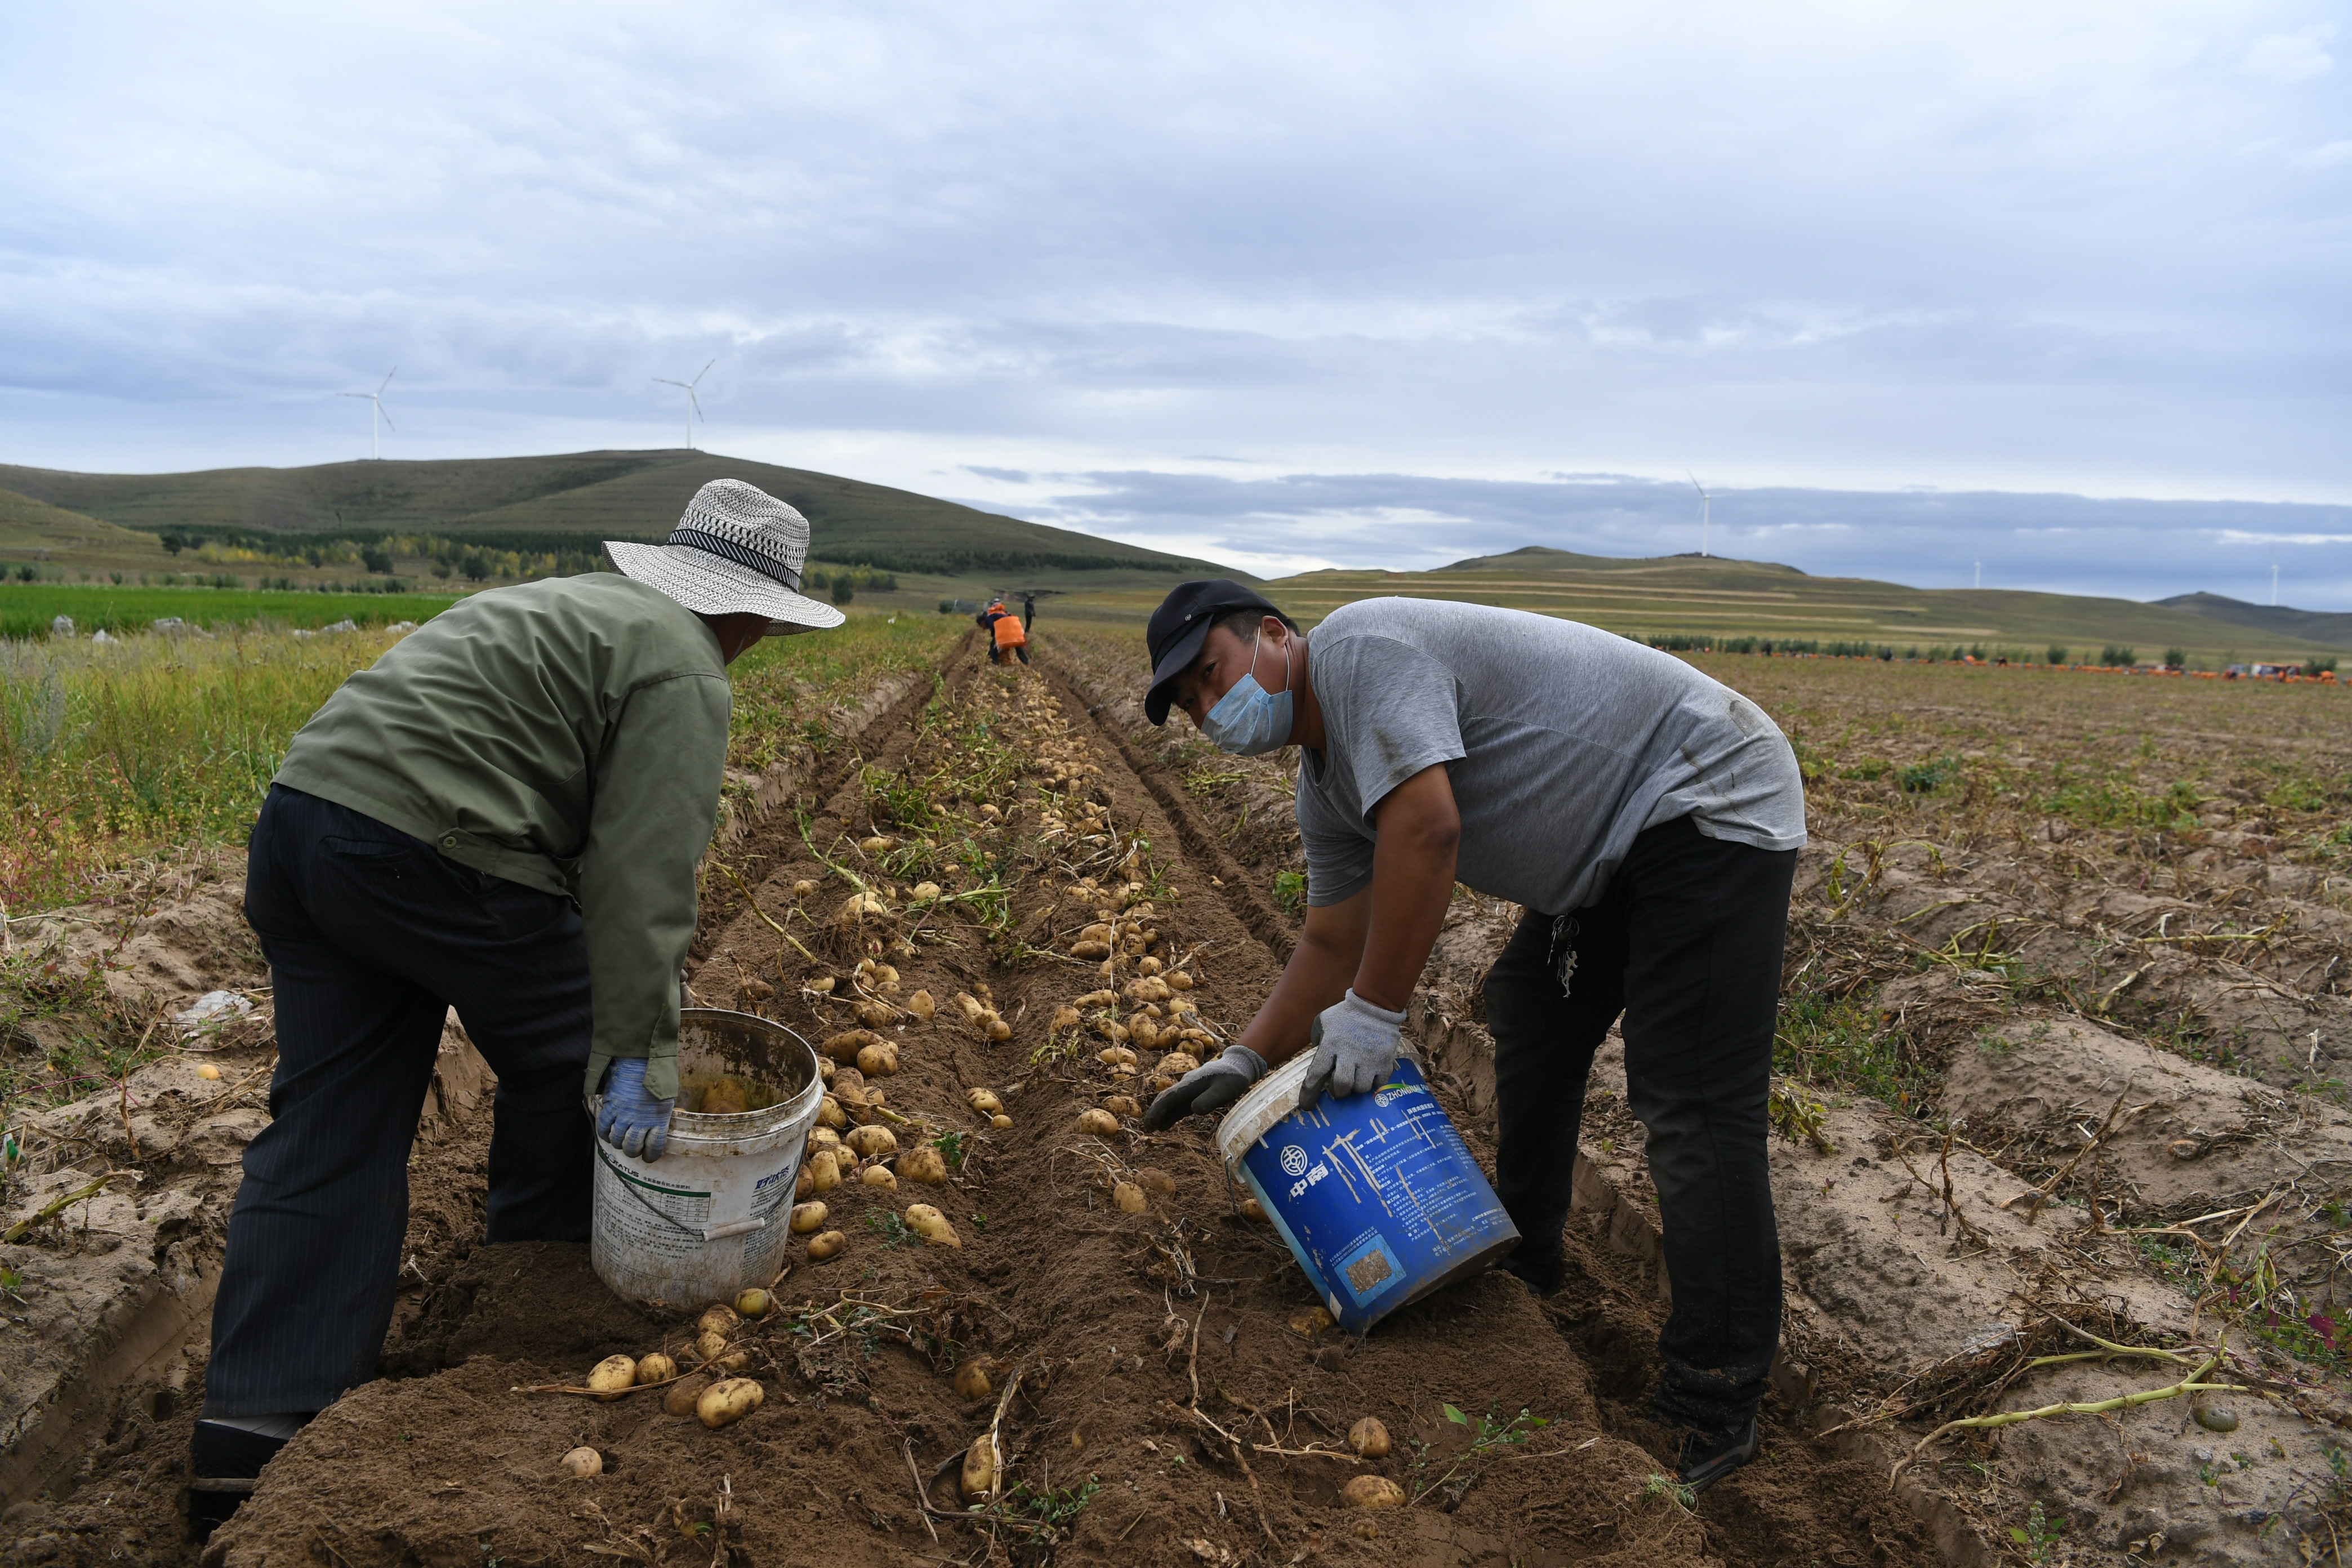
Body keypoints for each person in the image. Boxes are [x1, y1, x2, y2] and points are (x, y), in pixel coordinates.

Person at [189, 480, 843, 1498]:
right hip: (426, 851)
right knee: (571, 1055)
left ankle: (254, 1429)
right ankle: (533, 1309)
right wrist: (638, 1048)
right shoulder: (684, 665)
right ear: (755, 614)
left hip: (303, 826)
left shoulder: (564, 605)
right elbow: (641, 876)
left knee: (332, 1113)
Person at [1137, 580, 1805, 1495]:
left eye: (1213, 675)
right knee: (1531, 1008)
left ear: (1275, 636)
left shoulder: (1359, 652)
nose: (1213, 710)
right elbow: (1332, 941)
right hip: (1613, 847)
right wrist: (1247, 1056)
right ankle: (1529, 1255)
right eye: (1191, 704)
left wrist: (1376, 1013)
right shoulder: (1325, 790)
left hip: (1704, 795)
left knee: (1690, 1097)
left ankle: (1714, 1391)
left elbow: (1428, 831)